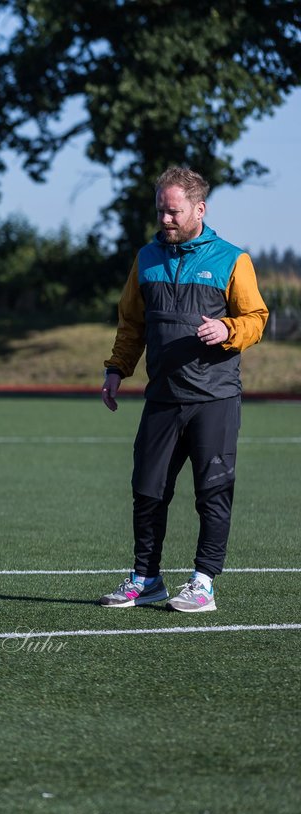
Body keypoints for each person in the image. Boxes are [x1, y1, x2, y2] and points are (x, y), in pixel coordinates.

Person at [98, 166, 268, 613]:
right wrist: (118, 367)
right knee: (147, 489)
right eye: (161, 211)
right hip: (162, 397)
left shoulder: (232, 259)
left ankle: (203, 582)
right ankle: (146, 577)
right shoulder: (146, 258)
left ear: (199, 208)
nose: (166, 220)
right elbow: (132, 322)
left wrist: (228, 328)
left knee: (212, 490)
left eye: (174, 212)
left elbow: (257, 318)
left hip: (214, 398)